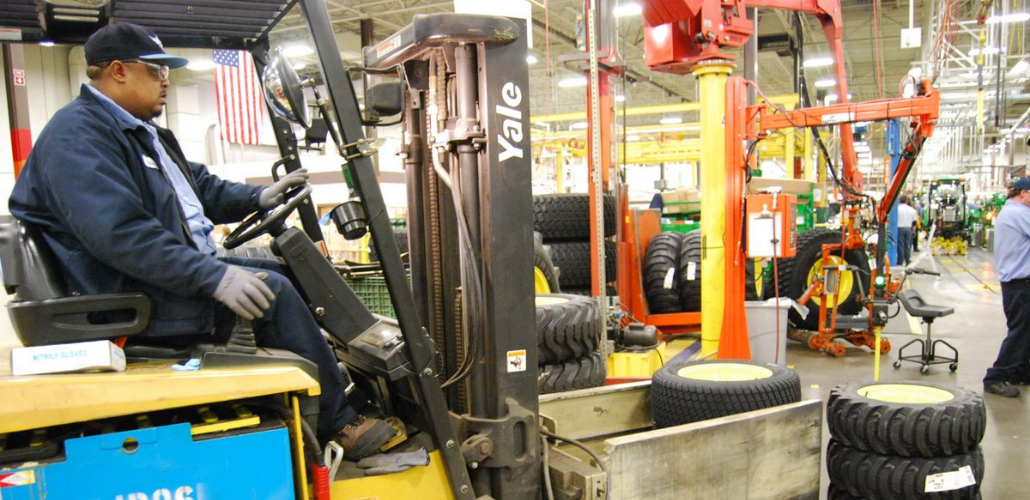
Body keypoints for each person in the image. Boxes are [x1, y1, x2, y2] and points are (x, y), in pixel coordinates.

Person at [8, 23, 395, 457]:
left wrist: (257, 197)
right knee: (276, 293)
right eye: (155, 70)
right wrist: (213, 276)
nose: (166, 79)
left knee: (286, 271)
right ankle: (338, 423)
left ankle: (335, 391)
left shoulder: (138, 132)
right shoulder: (79, 135)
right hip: (118, 296)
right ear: (117, 71)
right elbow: (121, 234)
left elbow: (199, 188)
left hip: (144, 281)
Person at [982, 177, 1030, 397]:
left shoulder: (1009, 212)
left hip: (1017, 283)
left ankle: (1018, 371)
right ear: (1023, 193)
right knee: (1020, 332)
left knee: (1024, 331)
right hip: (1021, 284)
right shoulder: (1018, 214)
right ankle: (996, 376)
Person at [895, 194, 918, 266]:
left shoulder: (897, 209)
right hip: (909, 229)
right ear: (907, 201)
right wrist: (913, 231)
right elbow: (914, 222)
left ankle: (900, 261)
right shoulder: (912, 210)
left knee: (900, 245)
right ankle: (908, 260)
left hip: (899, 228)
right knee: (908, 245)